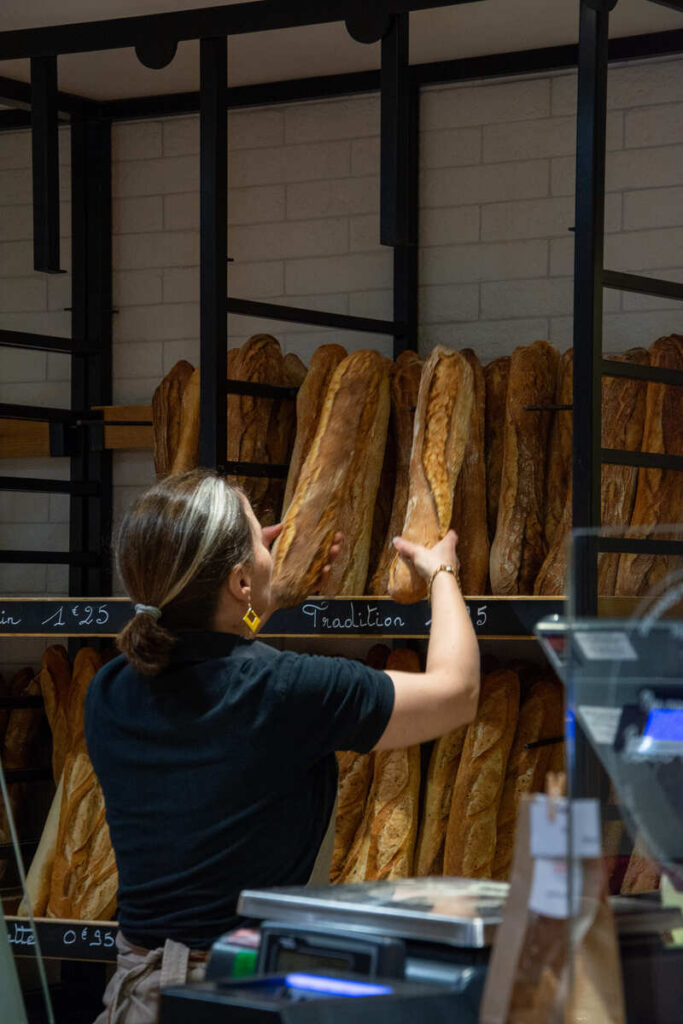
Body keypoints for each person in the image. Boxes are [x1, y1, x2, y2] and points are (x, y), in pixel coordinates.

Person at [85, 469, 479, 1023]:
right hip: (233, 994)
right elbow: (456, 693)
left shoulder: (109, 689)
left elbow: (220, 660)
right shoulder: (288, 691)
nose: (270, 545)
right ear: (238, 581)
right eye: (258, 538)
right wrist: (441, 572)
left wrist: (260, 592)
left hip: (137, 996)